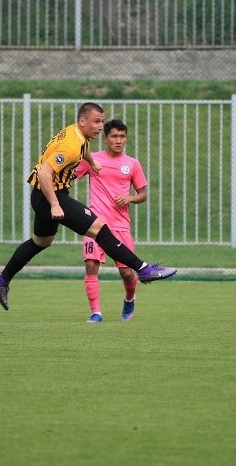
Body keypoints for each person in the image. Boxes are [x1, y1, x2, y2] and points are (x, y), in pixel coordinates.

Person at [0, 102, 176, 311]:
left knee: (40, 242)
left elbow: (82, 147)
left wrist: (91, 162)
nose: (100, 126)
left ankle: (2, 280)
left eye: (101, 121)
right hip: (51, 195)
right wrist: (55, 205)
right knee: (100, 230)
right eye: (96, 122)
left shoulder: (76, 133)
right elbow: (44, 173)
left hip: (42, 195)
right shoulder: (70, 145)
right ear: (82, 121)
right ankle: (144, 269)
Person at [74, 119, 147, 323]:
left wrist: (129, 198)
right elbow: (71, 175)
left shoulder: (132, 164)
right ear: (105, 138)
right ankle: (96, 312)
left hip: (120, 226)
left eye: (122, 136)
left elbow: (143, 194)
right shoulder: (93, 160)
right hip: (94, 225)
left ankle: (130, 298)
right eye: (114, 136)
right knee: (91, 264)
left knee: (126, 272)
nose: (119, 140)